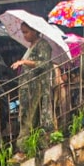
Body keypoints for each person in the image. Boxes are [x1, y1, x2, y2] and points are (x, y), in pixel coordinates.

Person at [12, 23, 56, 151]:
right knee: (26, 115)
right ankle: (26, 144)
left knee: (34, 115)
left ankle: (34, 143)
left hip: (38, 88)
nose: (24, 35)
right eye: (23, 32)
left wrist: (25, 62)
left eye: (26, 32)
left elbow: (44, 64)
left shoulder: (43, 45)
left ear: (35, 30)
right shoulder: (30, 47)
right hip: (28, 88)